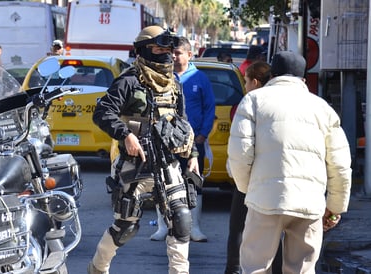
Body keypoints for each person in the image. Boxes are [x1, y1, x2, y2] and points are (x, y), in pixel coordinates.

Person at [227, 51, 352, 273]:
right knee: (302, 269)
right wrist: (335, 207)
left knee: (255, 267)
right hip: (309, 202)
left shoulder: (254, 100)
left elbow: (240, 153)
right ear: (303, 79)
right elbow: (340, 164)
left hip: (264, 199)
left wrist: (249, 189)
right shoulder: (322, 108)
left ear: (272, 74)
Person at [88, 25, 199, 274]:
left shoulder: (173, 83)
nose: (166, 54)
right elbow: (102, 113)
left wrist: (192, 154)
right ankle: (97, 267)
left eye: (168, 48)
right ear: (144, 50)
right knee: (126, 226)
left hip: (169, 164)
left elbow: (182, 120)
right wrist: (125, 134)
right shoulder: (128, 81)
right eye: (160, 48)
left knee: (181, 220)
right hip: (134, 165)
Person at [150, 36, 215, 242]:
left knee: (193, 182)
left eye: (178, 53)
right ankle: (163, 227)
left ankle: (194, 228)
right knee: (162, 183)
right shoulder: (162, 77)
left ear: (189, 54)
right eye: (172, 53)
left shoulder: (200, 79)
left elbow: (209, 108)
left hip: (193, 144)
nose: (175, 57)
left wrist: (203, 134)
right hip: (165, 141)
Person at [225, 60, 284, 274]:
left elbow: (241, 146)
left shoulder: (251, 101)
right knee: (276, 234)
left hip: (251, 179)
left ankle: (233, 269)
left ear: (256, 82)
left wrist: (241, 183)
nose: (245, 86)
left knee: (239, 229)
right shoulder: (285, 102)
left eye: (246, 81)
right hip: (277, 179)